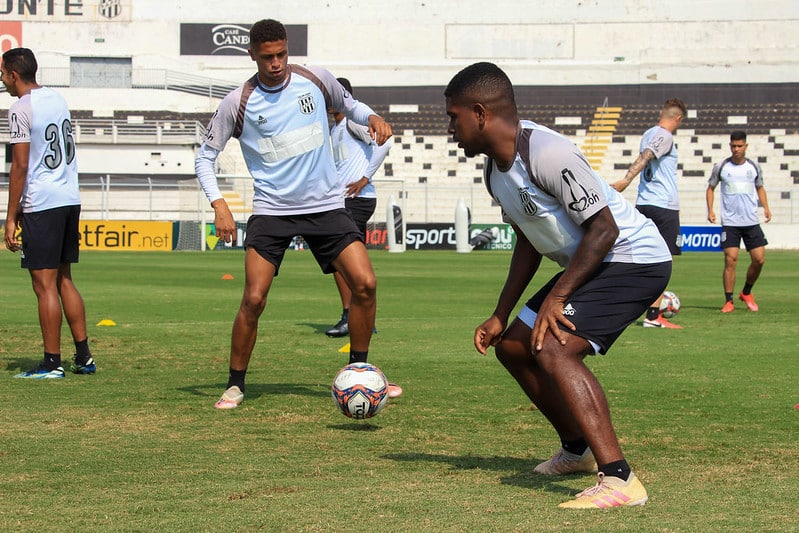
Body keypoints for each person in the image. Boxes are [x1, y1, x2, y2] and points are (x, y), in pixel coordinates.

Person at [445, 62, 672, 509]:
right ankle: (578, 450)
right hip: (593, 262)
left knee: (552, 347)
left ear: (479, 113)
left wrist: (559, 296)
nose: (450, 128)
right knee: (513, 346)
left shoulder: (547, 153)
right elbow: (529, 240)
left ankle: (620, 479)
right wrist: (500, 313)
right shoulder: (495, 172)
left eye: (453, 117)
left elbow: (604, 230)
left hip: (634, 259)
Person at [195, 19, 400, 409]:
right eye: (268, 56)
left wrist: (370, 117)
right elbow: (205, 156)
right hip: (272, 212)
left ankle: (361, 373)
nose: (276, 63)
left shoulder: (315, 79)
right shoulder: (237, 102)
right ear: (252, 54)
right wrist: (218, 203)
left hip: (326, 206)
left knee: (366, 284)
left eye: (282, 54)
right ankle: (235, 384)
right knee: (254, 299)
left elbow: (350, 106)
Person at [2, 47, 96, 379]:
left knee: (44, 285)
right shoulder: (57, 99)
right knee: (64, 279)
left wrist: (11, 217)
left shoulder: (19, 108)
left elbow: (21, 165)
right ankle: (83, 357)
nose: (2, 80)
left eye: (3, 73)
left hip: (42, 201)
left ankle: (52, 363)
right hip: (69, 197)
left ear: (14, 75)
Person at [325, 77, 393, 339]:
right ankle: (360, 316)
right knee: (345, 260)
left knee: (341, 258)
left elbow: (385, 142)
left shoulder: (354, 122)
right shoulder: (335, 129)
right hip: (344, 200)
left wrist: (365, 177)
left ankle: (350, 315)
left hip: (358, 198)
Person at [612, 98, 687, 329]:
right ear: (678, 118)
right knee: (662, 260)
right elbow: (646, 156)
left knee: (642, 257)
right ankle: (653, 316)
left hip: (645, 202)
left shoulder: (648, 133)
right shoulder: (665, 136)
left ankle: (630, 305)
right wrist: (626, 180)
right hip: (662, 205)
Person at [706, 130, 771, 313]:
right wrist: (710, 210)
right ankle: (729, 300)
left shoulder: (753, 166)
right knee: (731, 259)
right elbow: (710, 188)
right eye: (733, 146)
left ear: (746, 146)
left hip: (751, 221)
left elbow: (760, 188)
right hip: (731, 222)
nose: (736, 149)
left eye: (739, 146)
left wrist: (766, 207)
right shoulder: (722, 167)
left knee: (759, 259)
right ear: (730, 146)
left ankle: (747, 292)